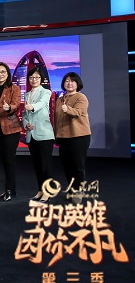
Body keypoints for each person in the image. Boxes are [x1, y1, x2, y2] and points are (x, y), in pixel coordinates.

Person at [54, 72, 91, 204]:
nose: (69, 83)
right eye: (67, 81)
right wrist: (56, 135)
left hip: (79, 136)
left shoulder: (81, 97)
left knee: (77, 166)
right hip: (64, 137)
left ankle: (78, 192)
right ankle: (71, 189)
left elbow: (79, 112)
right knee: (67, 166)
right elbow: (57, 119)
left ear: (77, 83)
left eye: (72, 81)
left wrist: (67, 109)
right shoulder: (60, 99)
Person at [0, 62, 21, 202]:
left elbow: (16, 105)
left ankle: (9, 189)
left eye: (3, 72)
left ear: (8, 74)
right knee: (4, 160)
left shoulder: (14, 88)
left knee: (9, 160)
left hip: (11, 129)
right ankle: (10, 189)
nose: (0, 74)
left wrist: (9, 108)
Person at [23, 67, 55, 203]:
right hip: (31, 134)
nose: (34, 79)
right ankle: (40, 190)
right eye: (31, 77)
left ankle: (48, 192)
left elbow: (42, 104)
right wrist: (26, 124)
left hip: (44, 134)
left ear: (41, 79)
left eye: (36, 77)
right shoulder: (27, 94)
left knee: (45, 165)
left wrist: (32, 107)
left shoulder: (46, 92)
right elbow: (25, 114)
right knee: (37, 165)